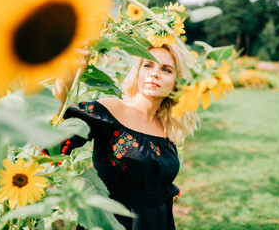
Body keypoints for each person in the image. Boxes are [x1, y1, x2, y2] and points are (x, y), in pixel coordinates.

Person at [53, 44, 198, 230]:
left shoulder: (165, 128)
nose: (154, 74)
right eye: (148, 65)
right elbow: (54, 140)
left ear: (177, 82)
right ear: (137, 71)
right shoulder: (109, 111)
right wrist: (64, 82)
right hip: (112, 222)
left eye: (166, 70)